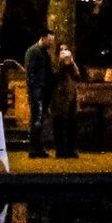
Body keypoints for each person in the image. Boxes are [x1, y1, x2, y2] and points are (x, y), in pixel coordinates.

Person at [25, 28, 56, 158]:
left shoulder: (42, 52)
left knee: (39, 120)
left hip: (42, 91)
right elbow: (31, 74)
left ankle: (37, 148)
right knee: (36, 120)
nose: (51, 43)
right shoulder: (34, 52)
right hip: (38, 91)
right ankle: (34, 148)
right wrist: (35, 90)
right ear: (43, 38)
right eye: (49, 40)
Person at [50, 41, 82, 159]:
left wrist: (72, 63)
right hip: (59, 97)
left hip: (71, 96)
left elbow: (78, 76)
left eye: (66, 50)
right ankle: (60, 150)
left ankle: (70, 149)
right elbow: (55, 75)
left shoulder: (70, 64)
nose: (64, 52)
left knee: (72, 125)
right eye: (61, 50)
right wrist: (61, 63)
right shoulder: (54, 63)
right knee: (59, 124)